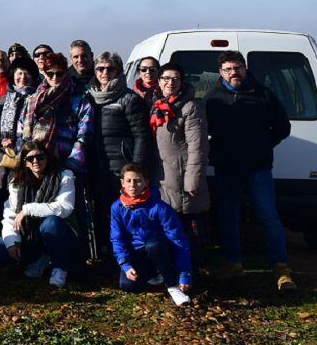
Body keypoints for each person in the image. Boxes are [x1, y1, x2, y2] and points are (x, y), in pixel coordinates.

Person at [204, 51, 295, 290]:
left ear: (245, 68)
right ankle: (233, 264)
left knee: (268, 215)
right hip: (227, 169)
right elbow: (203, 133)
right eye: (228, 69)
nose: (234, 72)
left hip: (259, 167)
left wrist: (263, 145)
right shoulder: (212, 99)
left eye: (238, 67)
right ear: (220, 72)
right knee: (228, 217)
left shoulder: (263, 94)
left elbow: (283, 127)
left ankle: (280, 267)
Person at [86, 52, 152, 258]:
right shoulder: (90, 97)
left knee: (127, 214)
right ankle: (108, 254)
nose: (105, 73)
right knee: (103, 212)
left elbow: (142, 135)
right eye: (100, 69)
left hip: (123, 167)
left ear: (119, 71)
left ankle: (135, 256)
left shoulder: (128, 98)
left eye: (110, 68)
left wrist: (136, 168)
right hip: (98, 165)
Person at [0, 142, 78, 288]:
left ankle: (59, 268)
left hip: (62, 233)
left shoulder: (63, 176)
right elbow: (10, 215)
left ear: (47, 158)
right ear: (25, 162)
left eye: (40, 157)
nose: (36, 161)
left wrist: (28, 209)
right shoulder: (16, 184)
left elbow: (65, 207)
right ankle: (40, 258)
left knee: (51, 223)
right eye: (30, 159)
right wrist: (13, 242)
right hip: (31, 236)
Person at [150, 62, 210, 267]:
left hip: (182, 176)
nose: (170, 82)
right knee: (168, 226)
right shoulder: (157, 105)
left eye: (175, 79)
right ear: (159, 81)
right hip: (162, 176)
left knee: (185, 227)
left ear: (182, 82)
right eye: (166, 78)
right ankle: (174, 270)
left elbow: (198, 147)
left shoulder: (190, 107)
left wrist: (192, 180)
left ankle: (191, 273)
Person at [110, 163, 193, 306]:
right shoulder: (117, 207)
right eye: (128, 181)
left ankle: (172, 286)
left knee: (153, 244)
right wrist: (125, 264)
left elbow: (178, 240)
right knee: (127, 285)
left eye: (138, 181)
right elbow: (117, 238)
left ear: (146, 182)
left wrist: (185, 273)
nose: (133, 185)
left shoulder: (160, 207)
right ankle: (154, 275)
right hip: (138, 254)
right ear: (122, 183)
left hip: (161, 250)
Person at [19, 52, 92, 174]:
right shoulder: (33, 100)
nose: (54, 78)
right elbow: (21, 131)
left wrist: (71, 165)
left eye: (59, 74)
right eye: (50, 74)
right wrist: (26, 159)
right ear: (45, 74)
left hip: (68, 165)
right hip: (36, 165)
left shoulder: (79, 99)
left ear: (65, 73)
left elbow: (84, 135)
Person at [0, 57, 39, 189]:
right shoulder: (5, 98)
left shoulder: (37, 98)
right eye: (19, 73)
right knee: (2, 197)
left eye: (27, 73)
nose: (23, 77)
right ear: (13, 75)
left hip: (28, 155)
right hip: (5, 156)